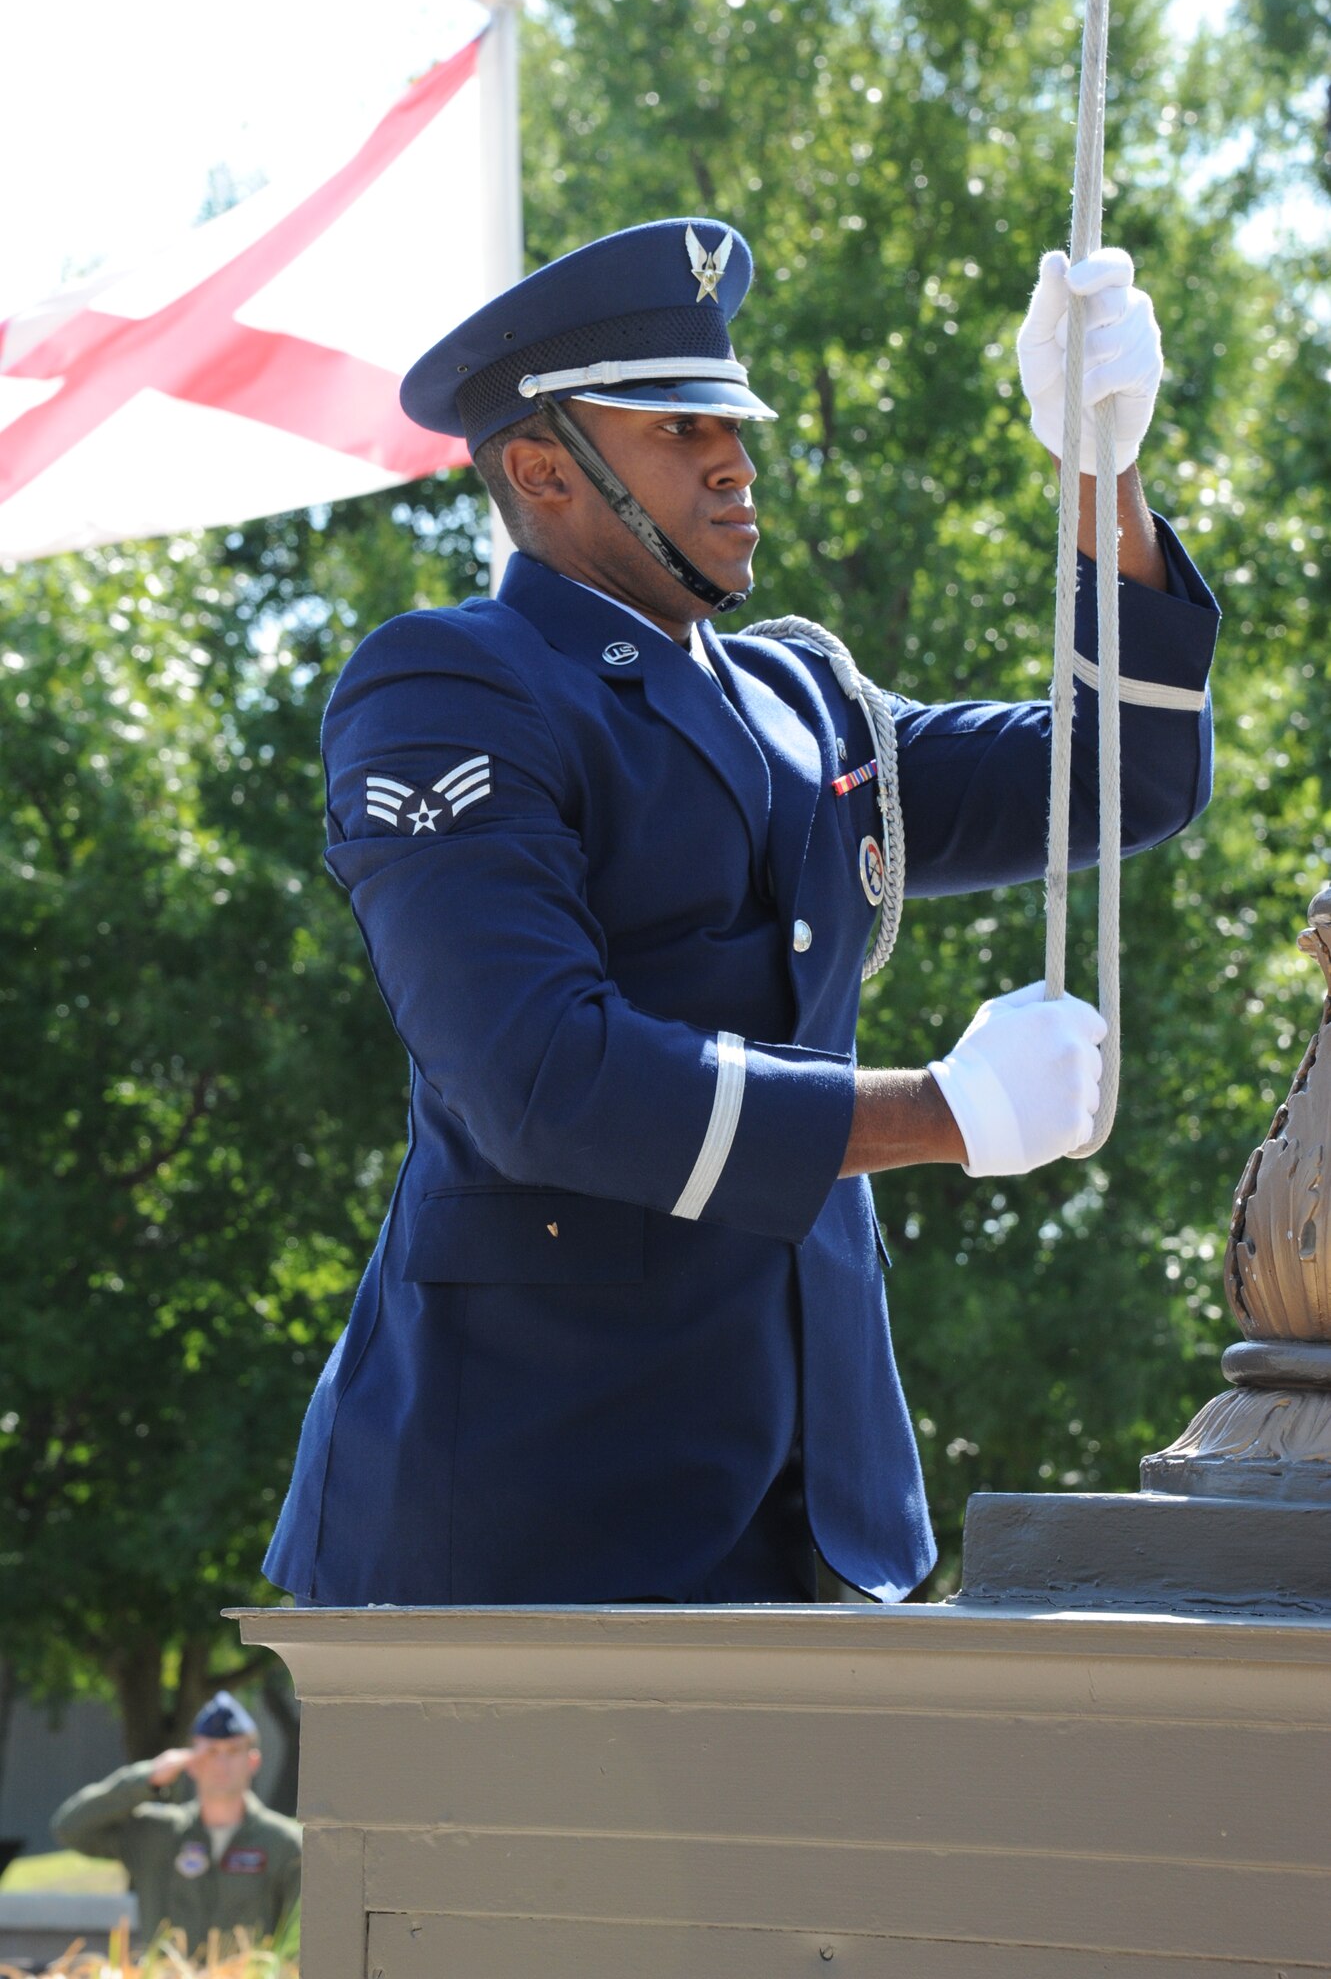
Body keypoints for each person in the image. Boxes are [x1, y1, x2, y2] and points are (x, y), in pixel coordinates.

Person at [264, 218, 1218, 1607]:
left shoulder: (800, 701)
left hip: (812, 1509)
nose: (731, 460)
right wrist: (943, 1113)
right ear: (539, 470)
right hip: (527, 1509)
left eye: (729, 420)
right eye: (671, 428)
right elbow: (542, 1078)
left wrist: (1100, 476)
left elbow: (1120, 778)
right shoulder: (449, 688)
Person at [50, 1690, 301, 1950]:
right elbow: (70, 1828)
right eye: (211, 1752)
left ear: (253, 1761)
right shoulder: (156, 1834)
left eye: (233, 1750)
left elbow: (301, 1936)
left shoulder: (284, 1843)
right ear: (191, 1761)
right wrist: (147, 1777)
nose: (222, 1763)